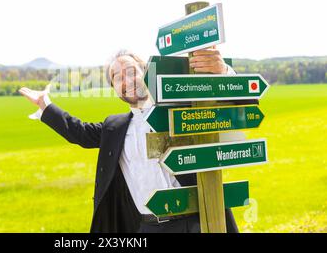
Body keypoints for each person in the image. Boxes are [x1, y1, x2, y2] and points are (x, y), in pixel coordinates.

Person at [19, 48, 239, 233]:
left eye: (132, 72)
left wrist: (223, 72)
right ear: (114, 88)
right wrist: (45, 104)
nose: (127, 81)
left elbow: (233, 111)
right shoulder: (115, 127)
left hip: (195, 223)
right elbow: (80, 133)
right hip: (148, 227)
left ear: (145, 73)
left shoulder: (179, 111)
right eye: (118, 77)